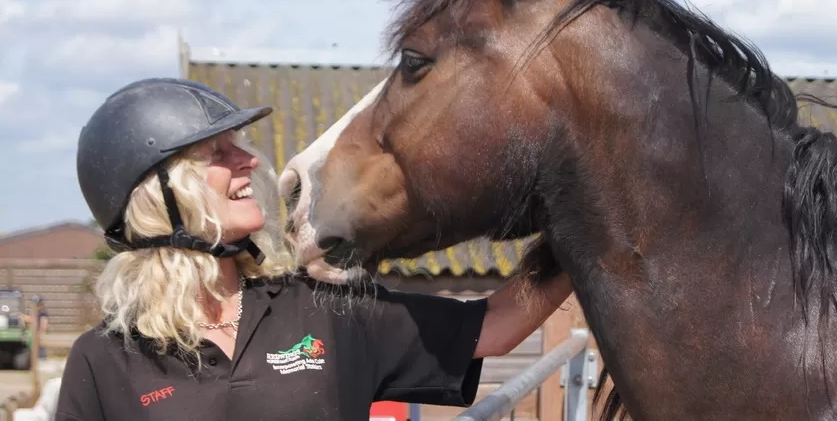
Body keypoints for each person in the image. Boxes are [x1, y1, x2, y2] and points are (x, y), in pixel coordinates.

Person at [56, 77, 573, 421]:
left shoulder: (323, 308)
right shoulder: (104, 360)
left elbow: (495, 327)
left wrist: (587, 228)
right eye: (219, 153)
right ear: (160, 195)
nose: (250, 163)